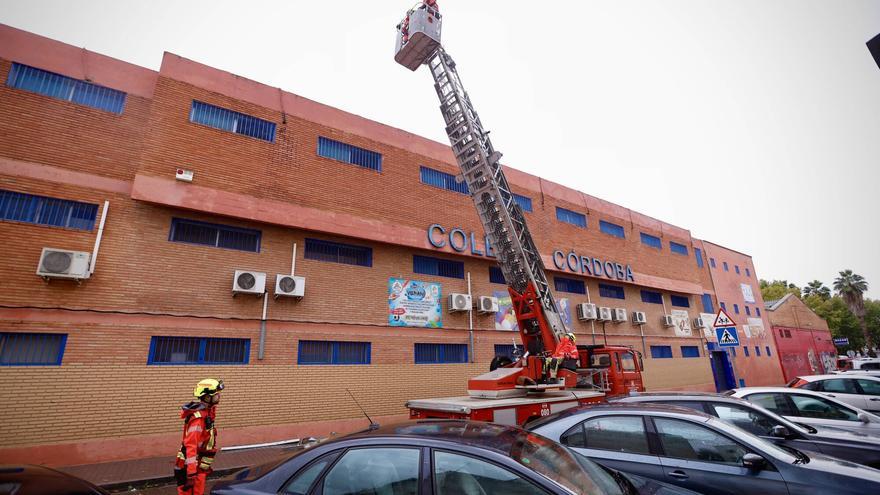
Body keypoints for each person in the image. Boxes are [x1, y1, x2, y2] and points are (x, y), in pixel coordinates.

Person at [175, 378, 223, 495]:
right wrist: (191, 473)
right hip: (190, 467)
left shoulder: (207, 413)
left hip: (198, 467)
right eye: (216, 394)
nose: (219, 396)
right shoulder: (199, 419)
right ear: (207, 397)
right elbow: (191, 445)